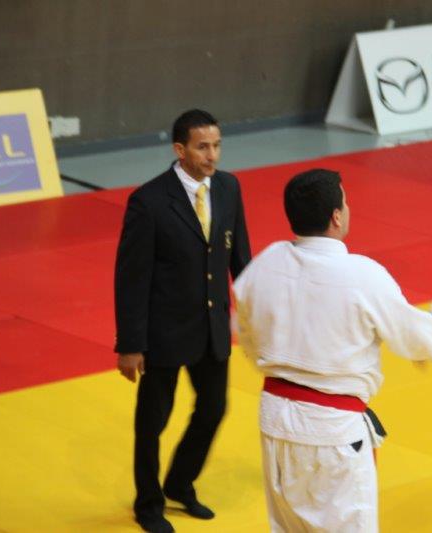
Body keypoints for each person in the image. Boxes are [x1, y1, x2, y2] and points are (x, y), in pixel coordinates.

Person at [232, 168, 432, 532]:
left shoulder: (267, 263)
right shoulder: (362, 275)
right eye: (346, 202)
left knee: (289, 527)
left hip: (274, 419)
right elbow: (412, 334)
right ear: (336, 216)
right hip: (332, 430)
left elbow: (246, 328)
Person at [114, 109, 251, 533]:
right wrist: (130, 344)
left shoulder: (228, 187)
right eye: (202, 147)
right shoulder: (149, 202)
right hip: (164, 333)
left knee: (214, 409)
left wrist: (259, 313)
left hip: (212, 328)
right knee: (152, 423)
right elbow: (131, 279)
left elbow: (240, 257)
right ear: (180, 149)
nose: (213, 155)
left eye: (217, 145)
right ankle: (148, 503)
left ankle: (179, 482)